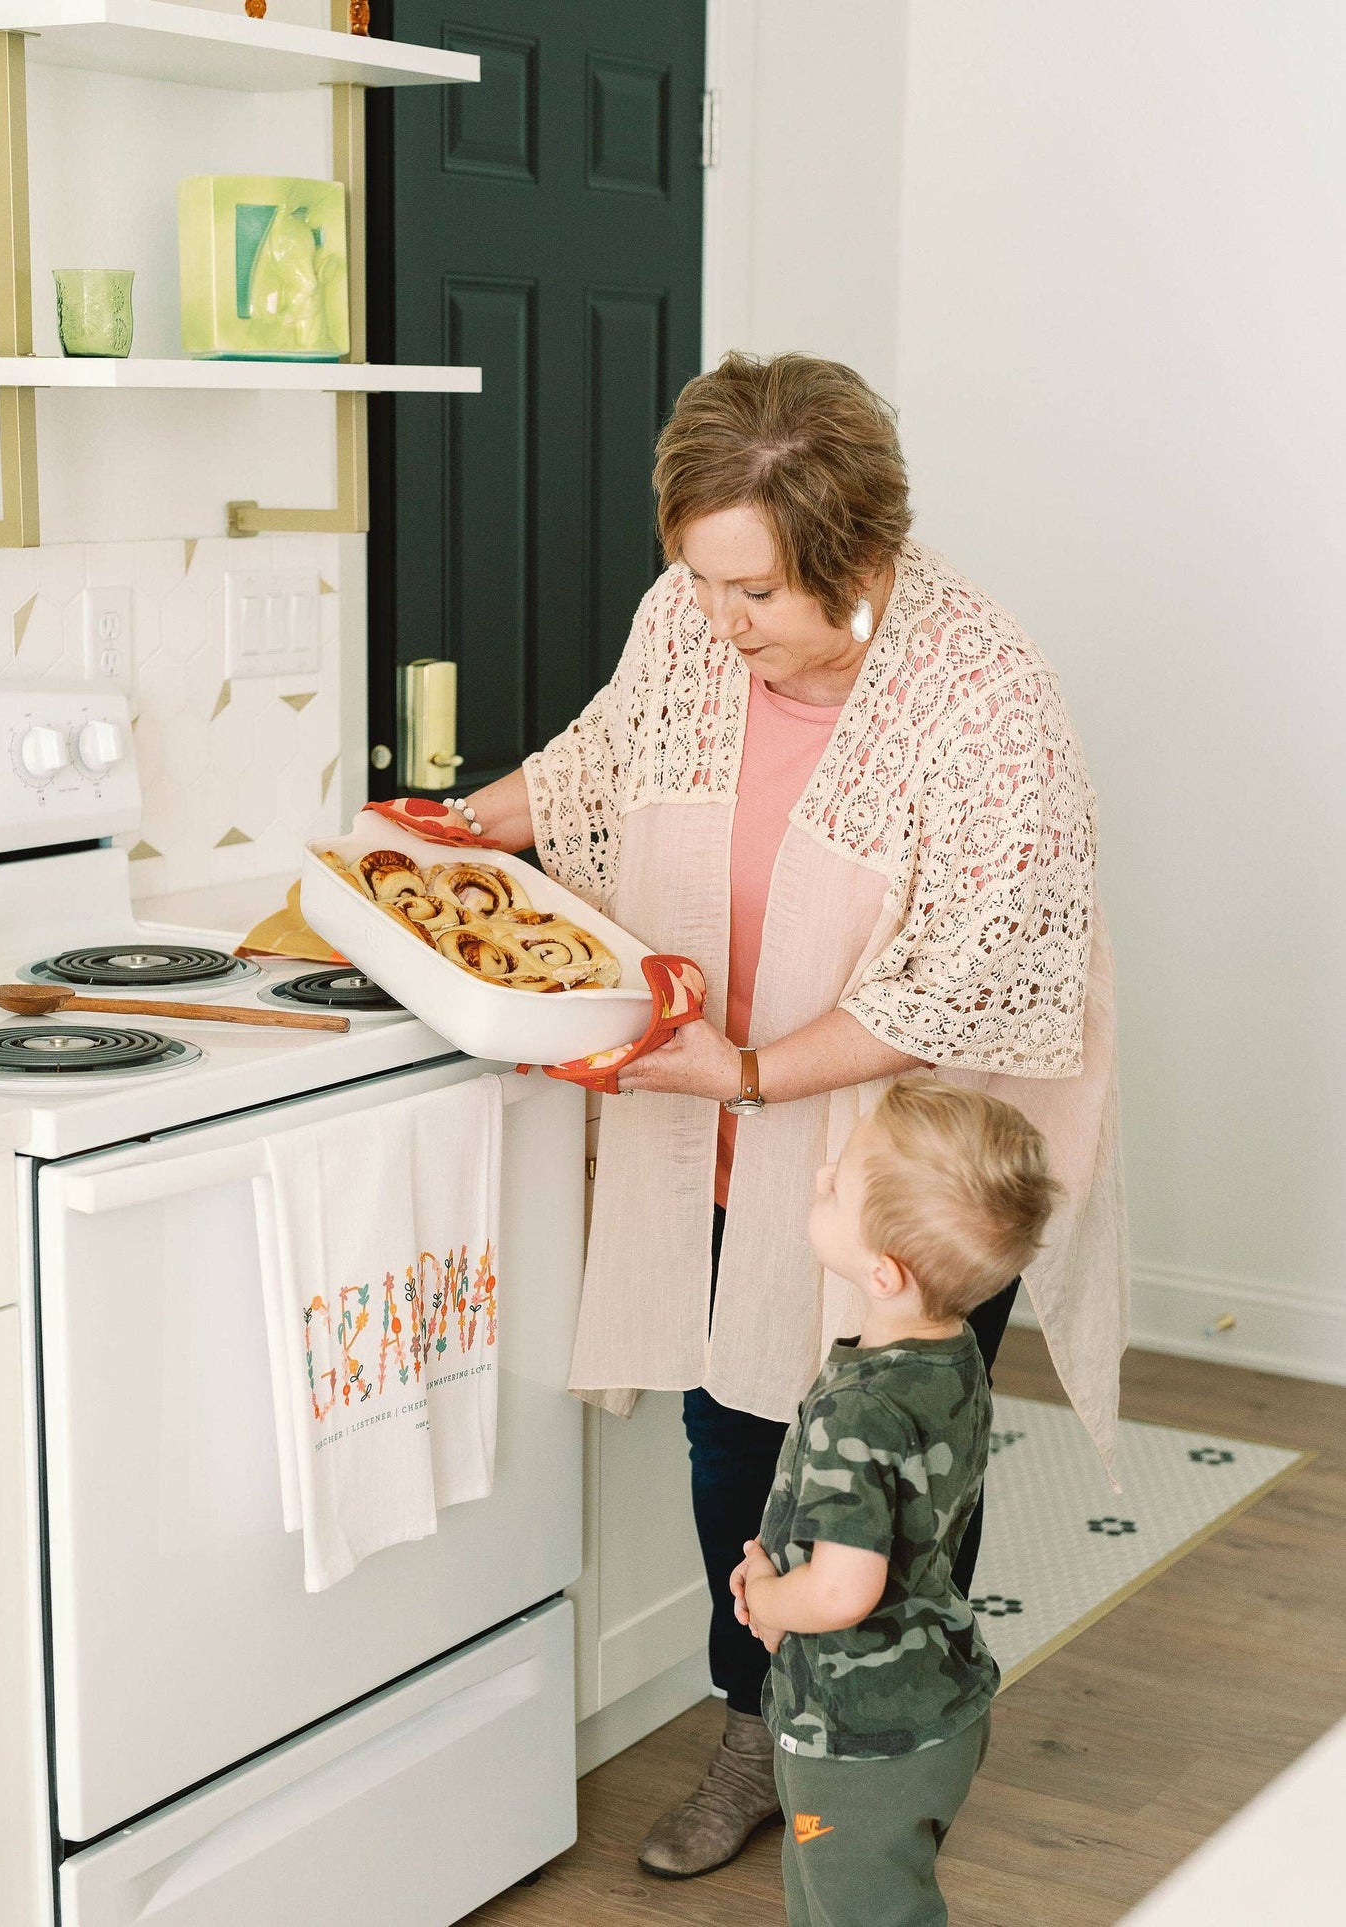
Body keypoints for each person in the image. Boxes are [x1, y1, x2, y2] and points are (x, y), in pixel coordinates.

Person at [428, 351, 1126, 1876]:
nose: (717, 617)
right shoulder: (689, 626)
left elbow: (967, 981)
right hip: (732, 1115)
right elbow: (599, 759)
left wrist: (746, 1068)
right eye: (699, 577)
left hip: (916, 1159)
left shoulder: (985, 693)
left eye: (752, 591)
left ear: (857, 559)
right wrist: (449, 832)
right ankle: (755, 1725)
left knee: (897, 1464)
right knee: (737, 1430)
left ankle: (888, 1746)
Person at [731, 1075, 1061, 1925]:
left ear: (883, 1272)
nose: (820, 1177)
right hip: (931, 1696)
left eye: (837, 1182)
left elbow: (843, 1590)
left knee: (859, 1908)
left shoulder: (861, 1408)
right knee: (835, 1898)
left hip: (859, 1733)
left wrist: (768, 1597)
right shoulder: (951, 1357)